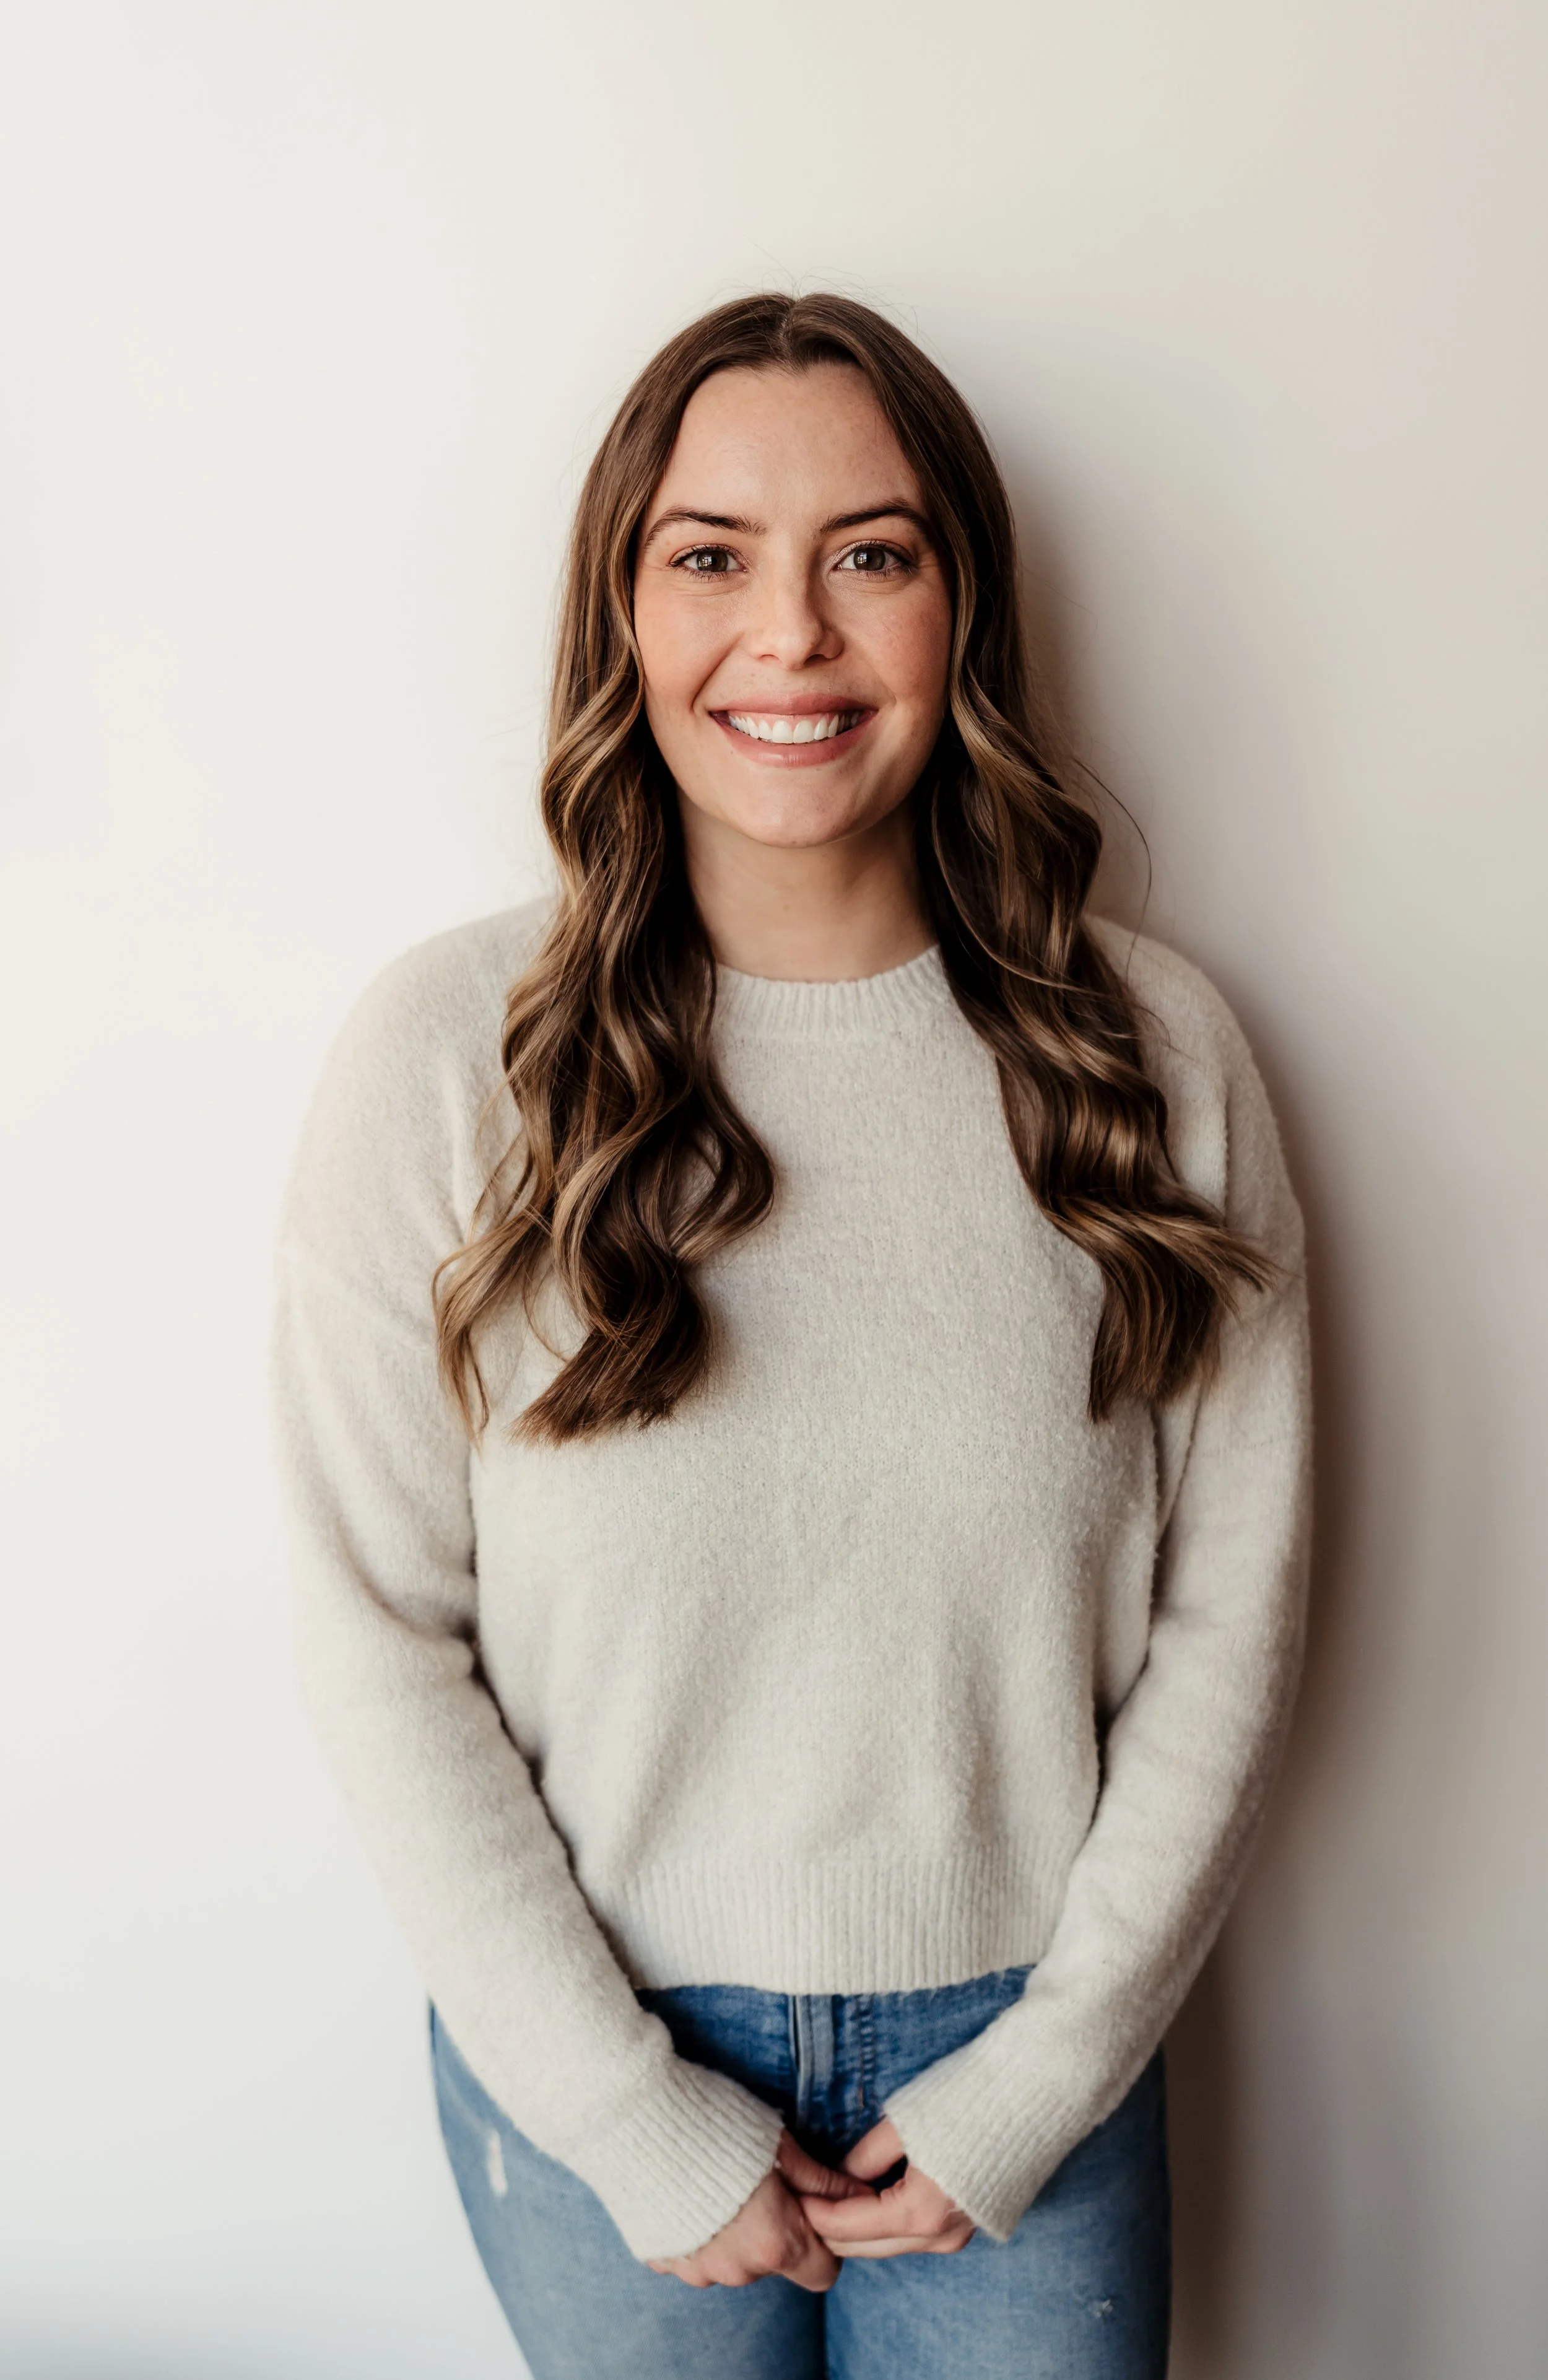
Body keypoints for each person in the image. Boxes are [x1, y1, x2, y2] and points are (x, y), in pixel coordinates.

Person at [272, 292, 1311, 2379]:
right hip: (589, 2056)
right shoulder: (447, 1063)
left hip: (1034, 2051)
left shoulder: (1147, 1053)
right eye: (710, 555)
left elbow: (1235, 1604)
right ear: (621, 614)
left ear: (962, 610)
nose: (793, 636)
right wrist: (628, 2116)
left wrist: (1042, 2075)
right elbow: (376, 1625)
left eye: (871, 552)